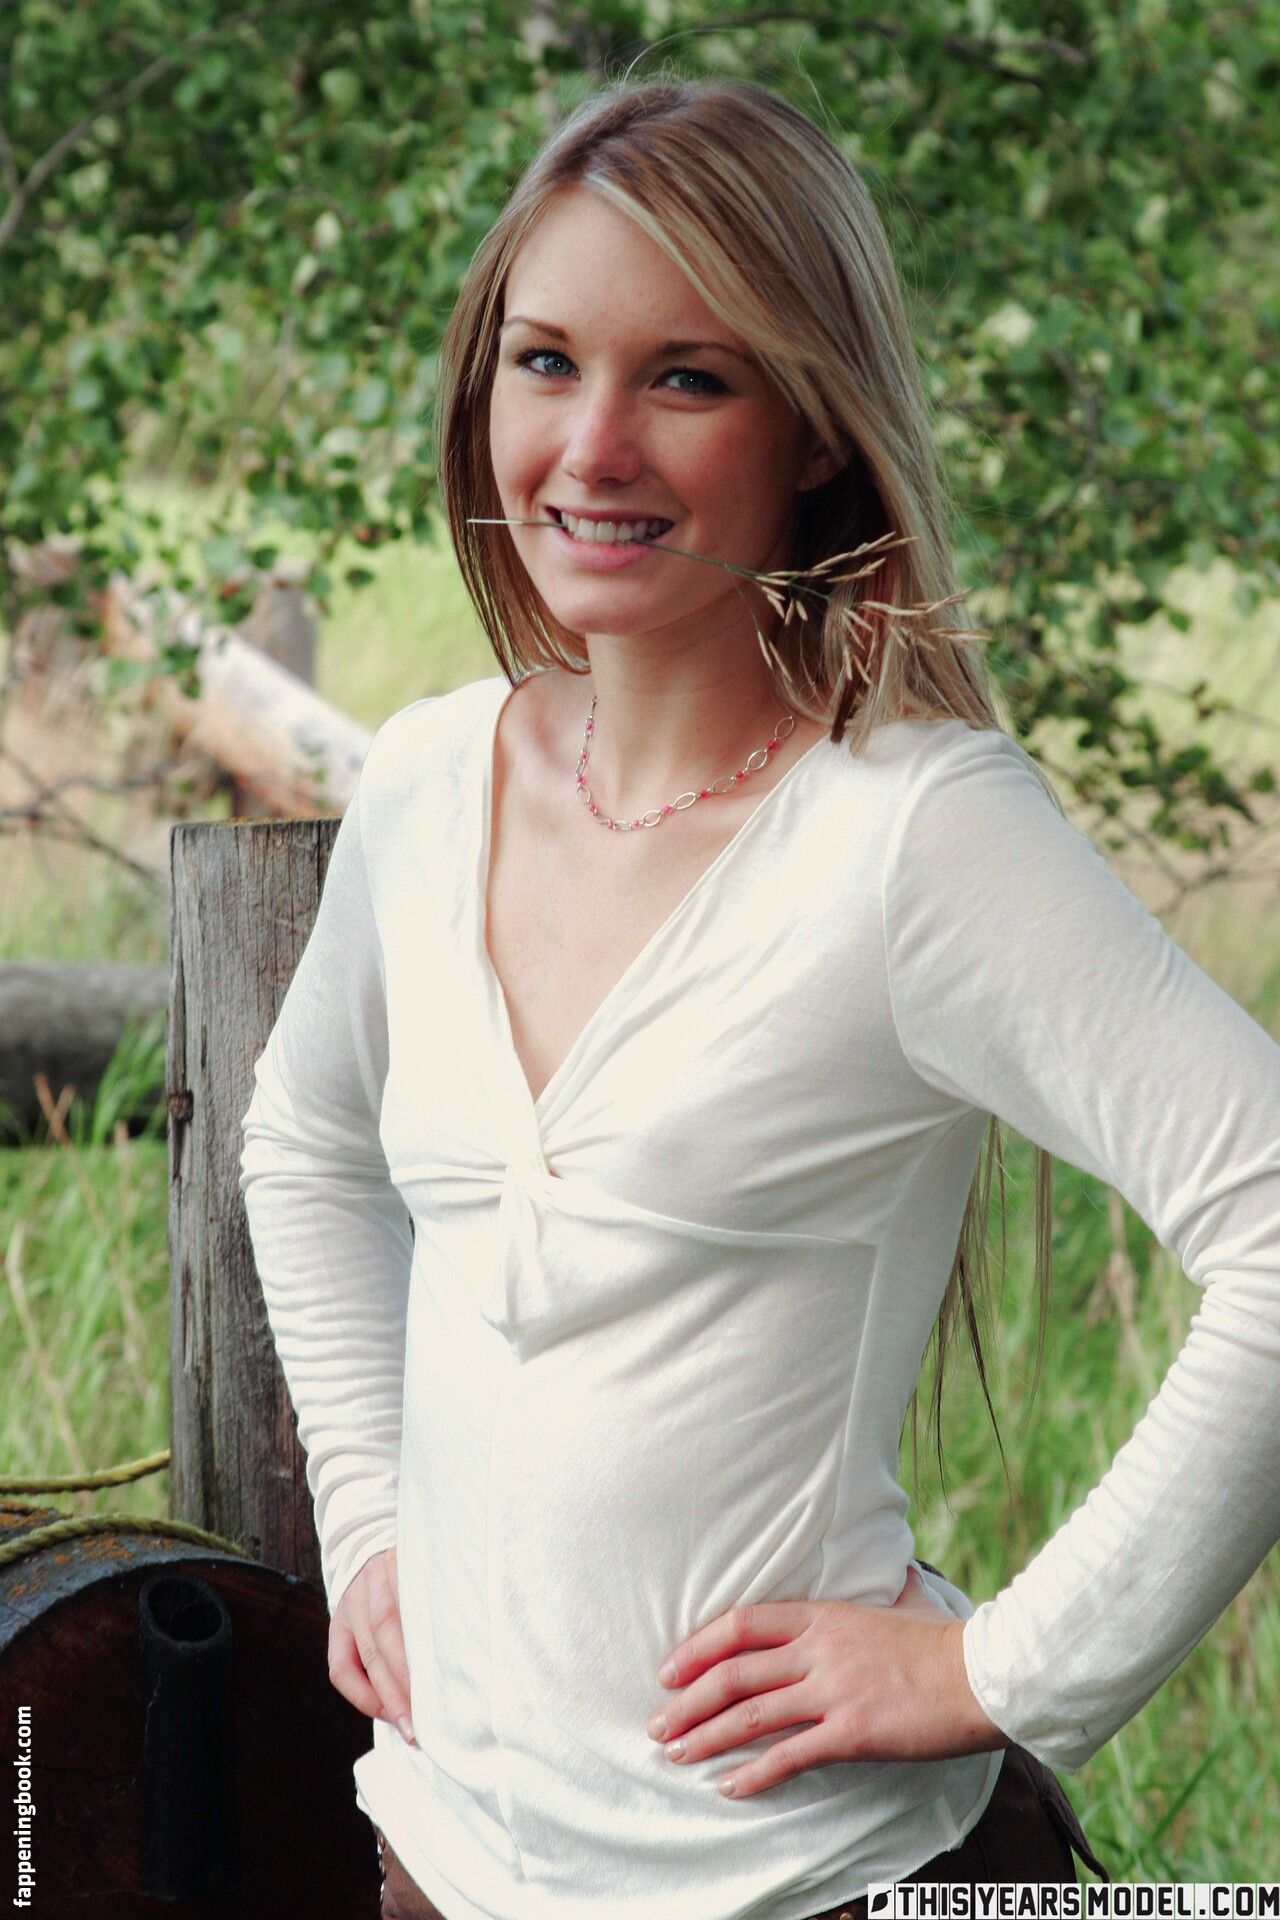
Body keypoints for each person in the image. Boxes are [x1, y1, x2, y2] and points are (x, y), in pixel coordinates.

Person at [238, 76, 1280, 1920]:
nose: (593, 446)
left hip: (797, 1878)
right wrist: (372, 1503)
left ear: (813, 428)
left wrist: (1004, 1670)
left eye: (690, 378)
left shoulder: (913, 835)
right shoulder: (424, 779)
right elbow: (304, 1144)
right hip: (441, 1860)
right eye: (546, 362)